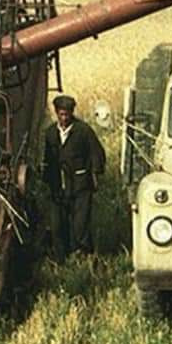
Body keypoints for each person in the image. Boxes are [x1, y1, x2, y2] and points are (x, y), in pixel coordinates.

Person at [42, 94, 105, 259]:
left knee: (80, 224)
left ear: (72, 113)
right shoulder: (50, 134)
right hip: (58, 186)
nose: (64, 118)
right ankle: (61, 259)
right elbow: (47, 159)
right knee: (57, 224)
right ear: (56, 113)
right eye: (61, 114)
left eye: (67, 114)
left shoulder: (83, 131)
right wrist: (47, 180)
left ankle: (83, 256)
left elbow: (97, 153)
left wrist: (95, 173)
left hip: (80, 185)